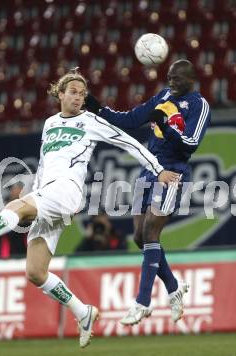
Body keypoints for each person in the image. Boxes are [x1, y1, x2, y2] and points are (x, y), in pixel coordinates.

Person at [0, 68, 179, 348]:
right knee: (36, 272)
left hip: (67, 190)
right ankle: (83, 312)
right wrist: (36, 190)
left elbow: (129, 143)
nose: (78, 97)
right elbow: (44, 163)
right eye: (73, 92)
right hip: (47, 191)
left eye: (82, 94)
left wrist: (158, 169)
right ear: (60, 94)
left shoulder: (91, 120)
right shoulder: (50, 123)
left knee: (17, 206)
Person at [85, 59, 211, 326]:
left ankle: (142, 303)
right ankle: (174, 287)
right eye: (169, 78)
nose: (171, 83)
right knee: (140, 238)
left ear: (191, 79)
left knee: (152, 232)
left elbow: (190, 144)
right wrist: (98, 109)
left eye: (177, 79)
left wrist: (164, 125)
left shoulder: (199, 105)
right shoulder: (164, 95)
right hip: (149, 168)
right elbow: (130, 119)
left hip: (173, 172)